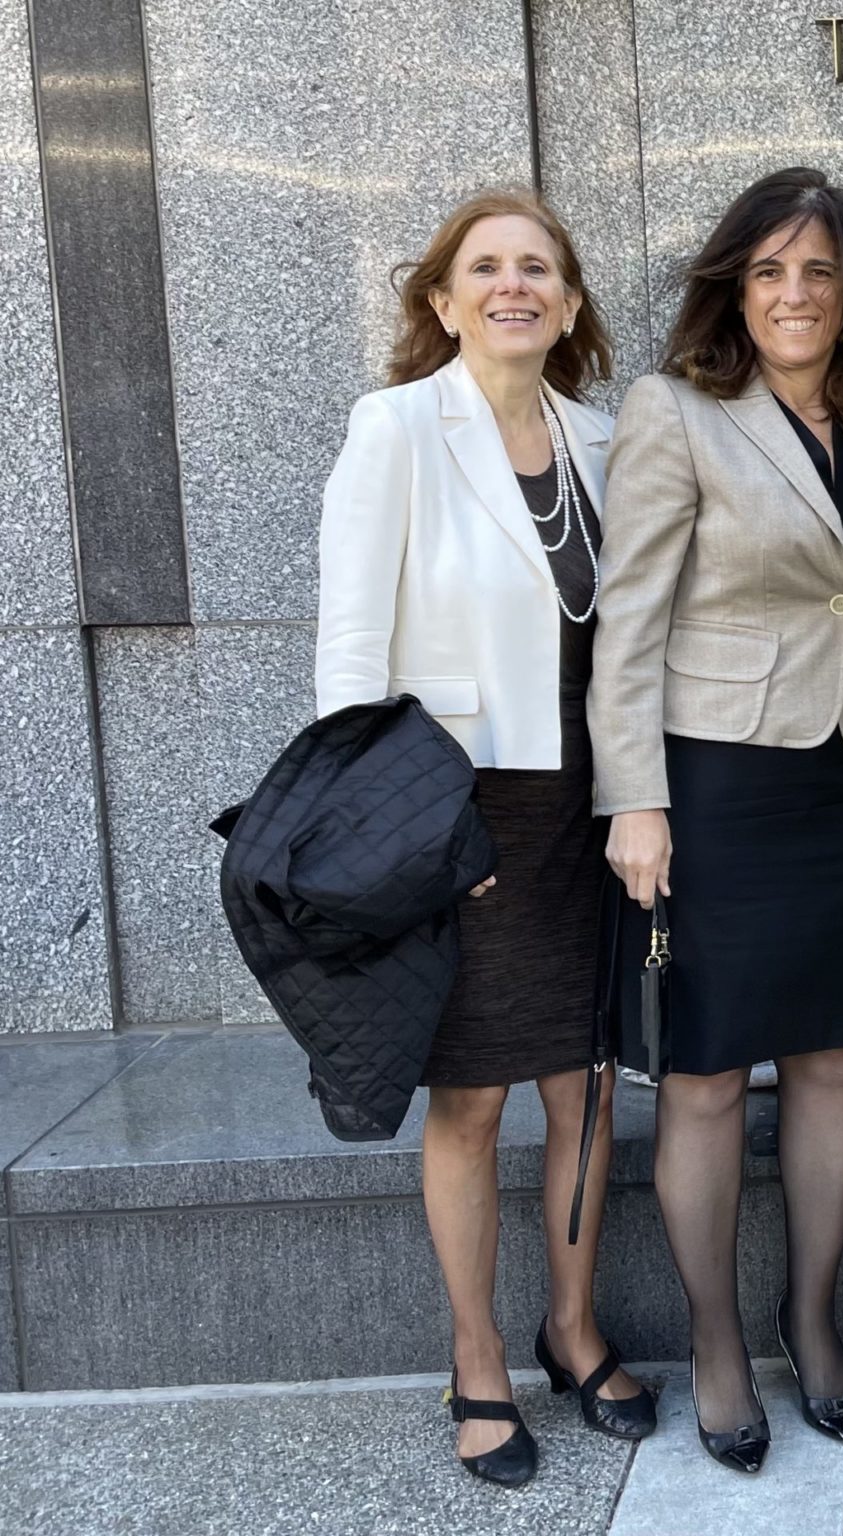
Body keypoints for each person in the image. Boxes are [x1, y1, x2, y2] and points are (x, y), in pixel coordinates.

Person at [316, 189, 653, 1487]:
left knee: (590, 1082)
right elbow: (351, 657)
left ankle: (571, 1330)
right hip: (456, 812)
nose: (515, 286)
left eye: (540, 269)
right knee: (469, 1097)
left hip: (594, 811)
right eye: (487, 268)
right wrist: (399, 825)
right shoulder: (397, 430)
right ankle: (475, 1360)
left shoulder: (607, 444)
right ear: (445, 300)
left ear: (569, 305)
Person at [588, 168, 843, 1475]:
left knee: (834, 1059)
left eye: (818, 273)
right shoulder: (676, 410)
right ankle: (718, 1341)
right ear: (735, 286)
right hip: (712, 786)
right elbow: (630, 622)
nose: (794, 295)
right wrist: (635, 804)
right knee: (709, 1079)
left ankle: (811, 1317)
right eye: (770, 271)